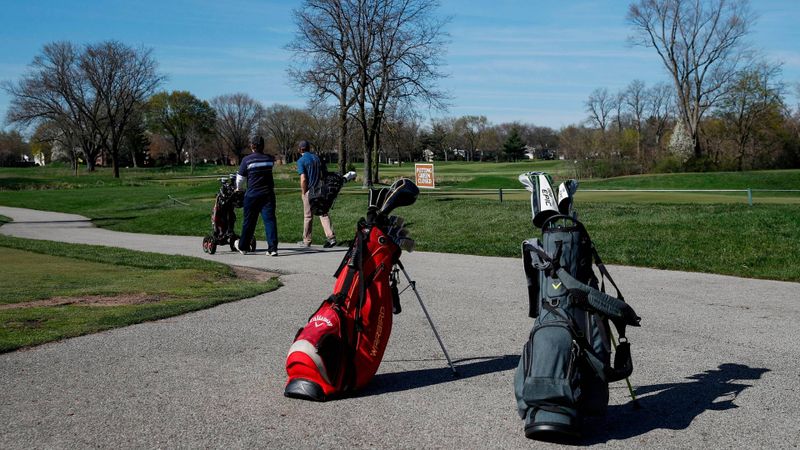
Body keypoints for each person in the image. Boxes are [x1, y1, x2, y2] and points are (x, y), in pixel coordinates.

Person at [234, 135, 278, 256]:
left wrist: (238, 189)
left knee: (249, 222)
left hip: (252, 194)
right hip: (268, 194)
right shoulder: (269, 159)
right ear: (263, 146)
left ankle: (243, 246)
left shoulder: (246, 160)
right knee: (270, 221)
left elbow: (240, 179)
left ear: (252, 146)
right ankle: (273, 248)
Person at [296, 140, 336, 248]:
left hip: (310, 191)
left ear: (300, 149)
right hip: (321, 189)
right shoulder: (317, 158)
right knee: (323, 213)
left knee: (308, 216)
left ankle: (307, 241)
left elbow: (303, 179)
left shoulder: (301, 161)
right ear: (309, 148)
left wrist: (303, 192)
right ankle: (331, 237)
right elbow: (325, 173)